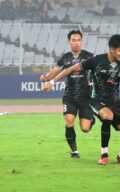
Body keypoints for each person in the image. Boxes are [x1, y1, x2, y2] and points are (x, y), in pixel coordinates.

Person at [43, 34, 120, 166]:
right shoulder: (97, 61)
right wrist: (51, 82)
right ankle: (104, 154)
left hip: (115, 103)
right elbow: (70, 69)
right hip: (96, 100)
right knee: (107, 116)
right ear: (111, 50)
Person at [40, 30, 95, 158]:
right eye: (73, 40)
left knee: (85, 128)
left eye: (78, 40)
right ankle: (74, 151)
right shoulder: (65, 58)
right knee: (69, 120)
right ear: (69, 42)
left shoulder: (90, 56)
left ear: (82, 41)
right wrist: (46, 78)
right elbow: (55, 71)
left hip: (86, 97)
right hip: (70, 95)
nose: (76, 43)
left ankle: (91, 119)